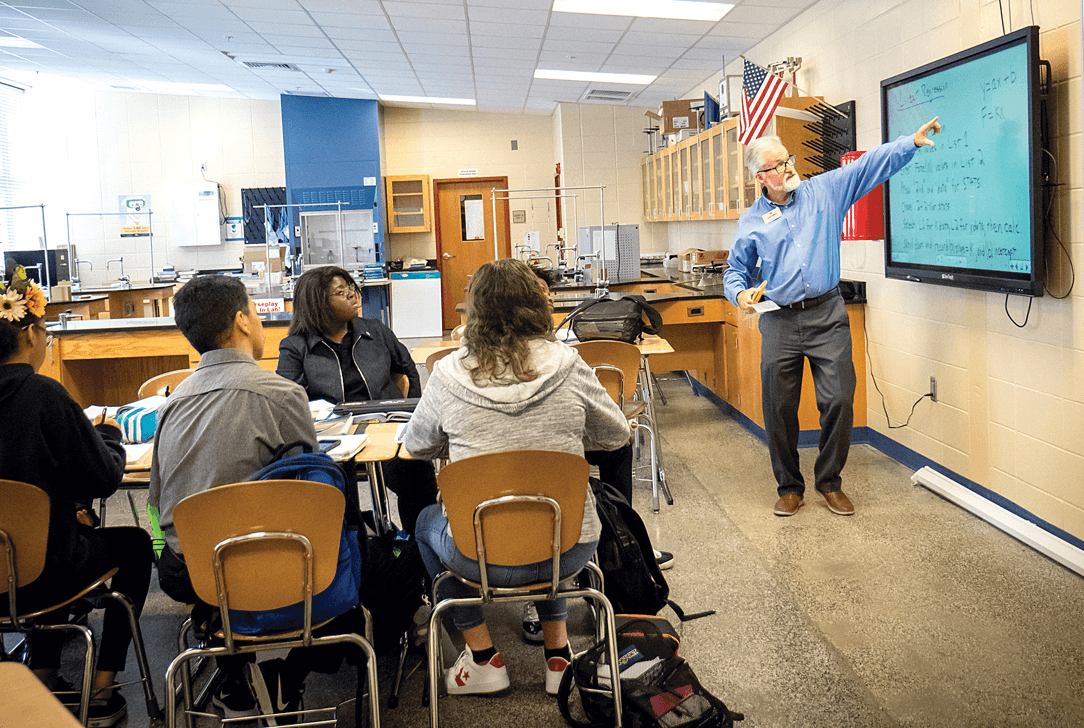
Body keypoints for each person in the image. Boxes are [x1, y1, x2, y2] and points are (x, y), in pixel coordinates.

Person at [403, 258, 632, 696]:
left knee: (424, 522)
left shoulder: (449, 372)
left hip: (477, 556)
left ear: (475, 310)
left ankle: (483, 657)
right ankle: (558, 656)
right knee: (549, 519)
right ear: (537, 304)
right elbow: (616, 434)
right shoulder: (570, 364)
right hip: (569, 550)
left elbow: (417, 446)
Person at [149, 275, 354, 720]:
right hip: (274, 565)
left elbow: (154, 505)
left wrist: (166, 551)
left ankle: (232, 663)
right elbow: (308, 493)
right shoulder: (281, 394)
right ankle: (290, 675)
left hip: (195, 575)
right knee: (367, 559)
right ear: (243, 320)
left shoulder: (170, 406)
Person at [723, 117, 942, 518]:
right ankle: (789, 487)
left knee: (840, 399)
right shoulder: (751, 221)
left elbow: (867, 167)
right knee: (779, 407)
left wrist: (908, 143)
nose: (788, 169)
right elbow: (735, 270)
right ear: (760, 177)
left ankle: (829, 482)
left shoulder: (823, 191)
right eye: (777, 166)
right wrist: (740, 292)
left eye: (788, 160)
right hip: (779, 321)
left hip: (827, 313)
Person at [0, 275, 153, 728]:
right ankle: (102, 689)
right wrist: (108, 435)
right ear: (30, 334)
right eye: (45, 331)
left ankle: (43, 671)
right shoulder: (42, 394)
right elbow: (101, 478)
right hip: (44, 575)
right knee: (133, 546)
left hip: (6, 572)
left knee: (58, 535)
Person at [277, 266, 438, 536]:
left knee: (417, 474)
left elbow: (409, 370)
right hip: (334, 436)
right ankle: (362, 550)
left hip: (386, 427)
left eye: (351, 287)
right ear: (317, 304)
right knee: (334, 485)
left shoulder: (374, 330)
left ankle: (415, 548)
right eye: (341, 292)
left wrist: (413, 416)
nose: (353, 295)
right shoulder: (295, 346)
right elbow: (286, 398)